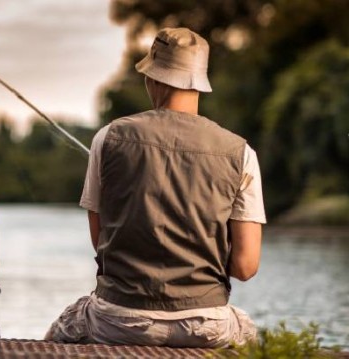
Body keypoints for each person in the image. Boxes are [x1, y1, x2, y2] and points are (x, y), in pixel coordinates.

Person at [45, 28, 266, 348]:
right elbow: (245, 267)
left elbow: (100, 241)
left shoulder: (107, 138)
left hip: (117, 319)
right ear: (200, 84)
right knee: (257, 340)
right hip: (206, 324)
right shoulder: (241, 153)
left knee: (56, 335)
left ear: (153, 78)